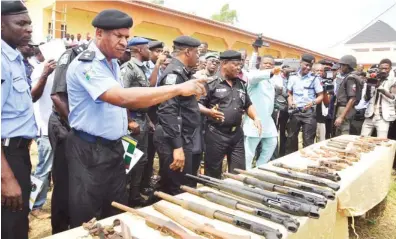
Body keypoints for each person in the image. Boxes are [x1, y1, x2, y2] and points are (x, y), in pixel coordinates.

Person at [65, 10, 206, 227]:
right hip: (89, 150)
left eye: (126, 37)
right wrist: (177, 88)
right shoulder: (88, 64)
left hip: (114, 146)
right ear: (99, 33)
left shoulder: (111, 62)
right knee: (88, 216)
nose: (124, 42)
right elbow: (121, 98)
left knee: (115, 209)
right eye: (118, 36)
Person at [1, 1, 36, 238]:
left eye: (29, 23)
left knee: (17, 224)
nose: (29, 29)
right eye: (21, 23)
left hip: (18, 155)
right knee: (10, 228)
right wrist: (6, 178)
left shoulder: (12, 57)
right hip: (7, 159)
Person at [199, 50, 261, 179]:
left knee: (238, 171)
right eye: (235, 64)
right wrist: (209, 112)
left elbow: (247, 104)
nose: (239, 68)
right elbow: (198, 104)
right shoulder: (210, 83)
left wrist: (256, 117)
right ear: (224, 63)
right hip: (216, 133)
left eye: (240, 65)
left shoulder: (241, 84)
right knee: (213, 171)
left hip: (236, 134)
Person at [154, 35, 203, 195]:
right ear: (188, 52)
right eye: (197, 52)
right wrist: (177, 146)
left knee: (176, 183)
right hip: (173, 137)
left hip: (181, 136)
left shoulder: (183, 72)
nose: (198, 56)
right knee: (174, 188)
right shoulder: (174, 74)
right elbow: (167, 111)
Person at [49, 42, 89, 233]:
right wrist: (76, 125)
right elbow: (57, 96)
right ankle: (60, 229)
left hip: (80, 128)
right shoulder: (72, 54)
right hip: (65, 125)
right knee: (64, 180)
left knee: (78, 179)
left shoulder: (103, 61)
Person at [120, 37, 152, 207]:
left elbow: (142, 97)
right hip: (132, 122)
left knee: (142, 161)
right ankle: (123, 197)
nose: (150, 51)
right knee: (128, 161)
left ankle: (134, 195)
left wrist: (148, 120)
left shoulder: (142, 69)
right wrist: (129, 121)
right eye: (147, 48)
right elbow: (121, 97)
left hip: (142, 120)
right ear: (139, 49)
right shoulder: (128, 69)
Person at [29, 56, 57, 219]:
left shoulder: (64, 68)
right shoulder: (40, 69)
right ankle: (34, 206)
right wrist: (45, 74)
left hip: (57, 127)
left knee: (52, 168)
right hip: (45, 127)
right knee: (43, 169)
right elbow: (34, 95)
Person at [243, 46, 278, 169]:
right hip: (254, 119)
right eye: (265, 63)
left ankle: (260, 167)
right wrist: (271, 72)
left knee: (272, 142)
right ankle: (246, 172)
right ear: (260, 64)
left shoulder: (272, 79)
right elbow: (253, 77)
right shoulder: (254, 76)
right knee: (249, 150)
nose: (268, 65)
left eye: (271, 64)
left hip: (267, 120)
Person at [285, 54, 324, 155]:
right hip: (295, 111)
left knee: (308, 140)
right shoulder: (293, 77)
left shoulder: (315, 79)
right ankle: (291, 159)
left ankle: (307, 161)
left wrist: (312, 103)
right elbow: (289, 93)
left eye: (310, 67)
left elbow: (321, 96)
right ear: (300, 62)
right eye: (306, 65)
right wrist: (290, 101)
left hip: (309, 113)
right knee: (291, 138)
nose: (307, 68)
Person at [361, 59, 396, 138]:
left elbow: (393, 97)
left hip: (383, 117)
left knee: (381, 142)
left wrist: (379, 87)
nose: (383, 70)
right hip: (370, 115)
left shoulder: (393, 81)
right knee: (362, 139)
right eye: (381, 68)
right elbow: (366, 98)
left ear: (390, 69)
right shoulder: (374, 79)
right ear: (379, 68)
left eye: (386, 68)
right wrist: (369, 86)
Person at [333, 55, 361, 136]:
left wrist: (341, 116)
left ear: (348, 66)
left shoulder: (350, 78)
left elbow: (352, 98)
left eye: (342, 65)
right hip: (344, 107)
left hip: (344, 107)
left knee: (343, 131)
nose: (340, 67)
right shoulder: (349, 77)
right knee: (339, 130)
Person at [312, 63, 327, 142]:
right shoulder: (309, 81)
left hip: (320, 114)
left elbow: (326, 102)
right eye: (317, 70)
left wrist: (324, 90)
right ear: (313, 71)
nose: (319, 72)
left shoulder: (325, 83)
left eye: (321, 70)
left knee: (321, 138)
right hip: (310, 114)